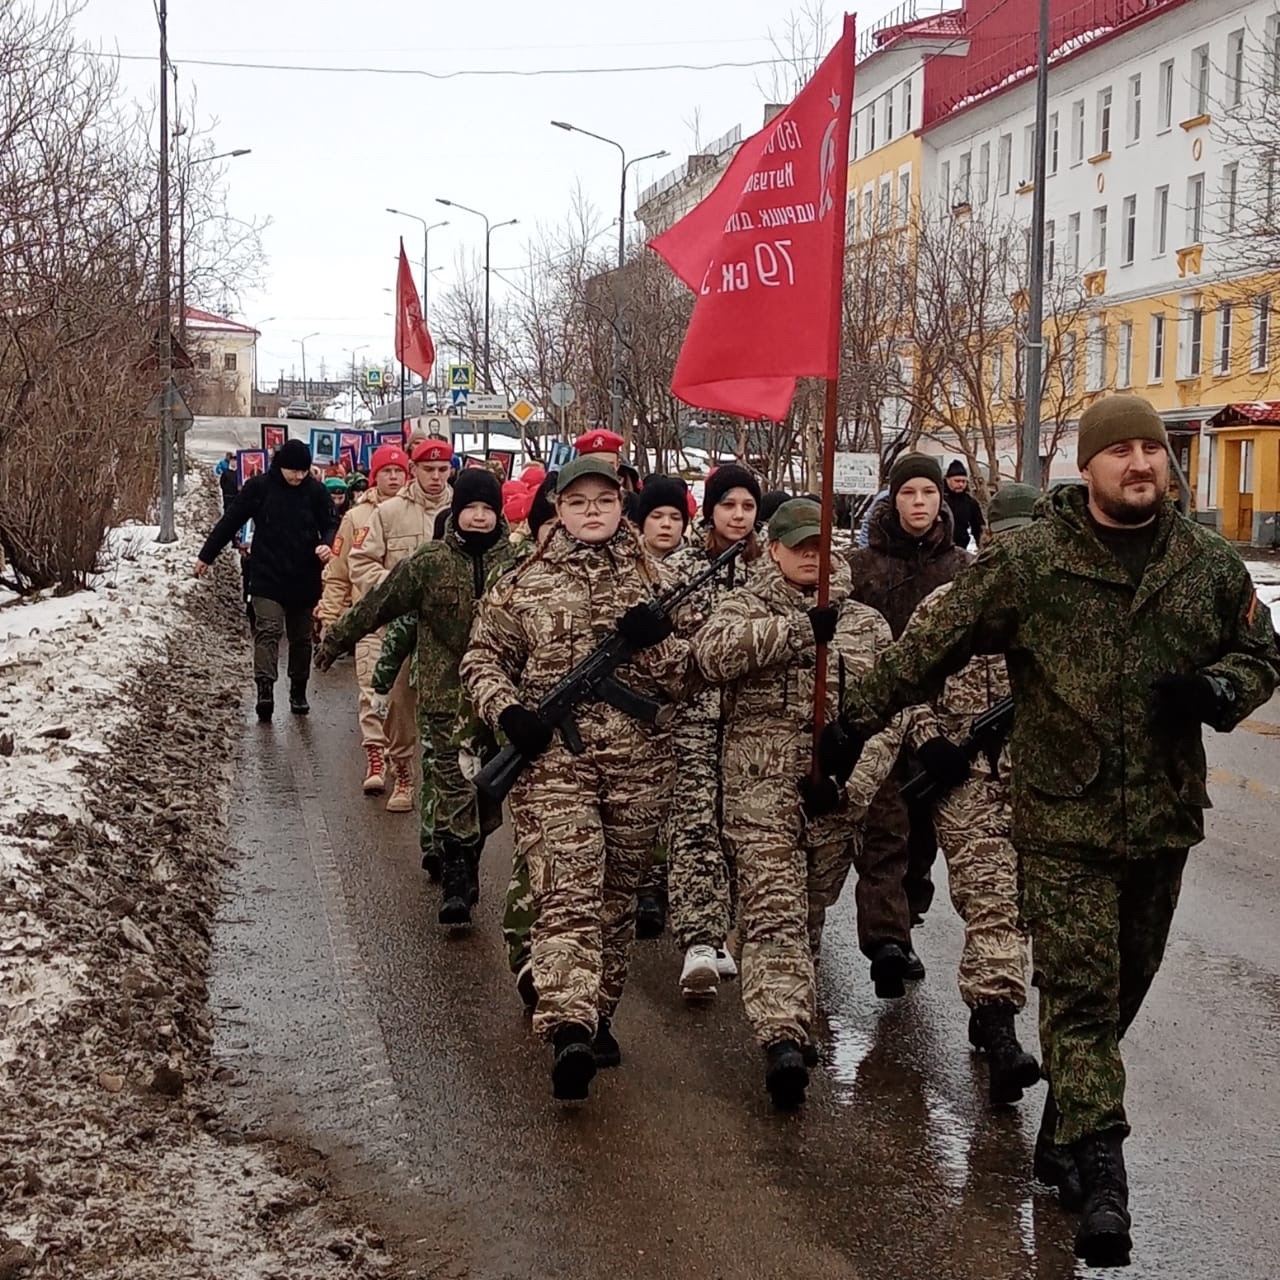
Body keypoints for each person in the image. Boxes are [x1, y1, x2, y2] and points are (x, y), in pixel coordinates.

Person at [820, 394, 1280, 1268]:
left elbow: (1261, 656)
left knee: (1127, 986)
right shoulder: (1032, 563)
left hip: (1162, 817)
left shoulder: (1209, 565)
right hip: (1061, 816)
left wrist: (1219, 691)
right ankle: (1106, 1178)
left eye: (1153, 450)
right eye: (1122, 452)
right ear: (1089, 466)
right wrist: (853, 724)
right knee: (1079, 994)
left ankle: (1064, 1126)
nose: (1142, 463)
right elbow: (932, 645)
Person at [460, 456, 688, 1102]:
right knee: (567, 887)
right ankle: (567, 1027)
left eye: (604, 500)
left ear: (623, 506)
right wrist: (509, 712)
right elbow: (482, 659)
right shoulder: (521, 585)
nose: (592, 511)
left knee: (617, 896)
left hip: (640, 765)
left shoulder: (660, 581)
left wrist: (658, 640)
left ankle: (599, 1008)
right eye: (578, 501)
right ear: (557, 509)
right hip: (554, 763)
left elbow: (687, 677)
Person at [692, 499, 902, 1108]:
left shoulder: (864, 624)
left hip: (832, 797)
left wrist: (851, 784)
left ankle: (796, 1011)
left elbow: (894, 713)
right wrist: (796, 632)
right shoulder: (742, 607)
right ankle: (780, 1037)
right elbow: (709, 657)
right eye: (799, 546)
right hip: (759, 792)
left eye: (821, 546)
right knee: (773, 909)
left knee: (808, 911)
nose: (813, 556)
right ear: (775, 550)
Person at [318, 469, 519, 922]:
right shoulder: (430, 562)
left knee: (487, 795)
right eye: (471, 508)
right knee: (451, 786)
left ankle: (467, 855)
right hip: (444, 699)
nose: (480, 518)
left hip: (500, 703)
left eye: (488, 509)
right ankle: (457, 879)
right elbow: (379, 603)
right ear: (457, 512)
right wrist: (335, 639)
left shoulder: (519, 564)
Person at [901, 482, 1041, 1109]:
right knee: (993, 903)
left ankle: (999, 1012)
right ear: (985, 539)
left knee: (1035, 911)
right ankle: (998, 1024)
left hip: (1046, 786)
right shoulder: (949, 605)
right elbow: (904, 681)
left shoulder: (1066, 612)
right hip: (969, 785)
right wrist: (933, 741)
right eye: (1006, 541)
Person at [847, 452, 971, 996]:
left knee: (923, 839)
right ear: (891, 500)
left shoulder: (961, 570)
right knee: (883, 832)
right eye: (908, 494)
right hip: (878, 716)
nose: (919, 504)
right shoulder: (863, 566)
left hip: (941, 724)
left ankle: (907, 916)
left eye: (927, 494)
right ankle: (886, 943)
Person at [665, 462, 762, 1000]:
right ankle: (700, 939)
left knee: (741, 827)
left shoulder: (770, 566)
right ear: (711, 509)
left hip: (754, 720)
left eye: (748, 506)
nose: (739, 516)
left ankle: (731, 930)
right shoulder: (681, 568)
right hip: (694, 717)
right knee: (696, 821)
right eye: (729, 505)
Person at [195, 438, 338, 720]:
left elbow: (331, 523)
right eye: (293, 471)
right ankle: (265, 689)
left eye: (303, 471)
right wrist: (206, 556)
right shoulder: (259, 488)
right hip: (267, 574)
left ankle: (298, 690)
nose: (298, 477)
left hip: (304, 575)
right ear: (280, 466)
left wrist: (327, 543)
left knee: (300, 638)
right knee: (268, 629)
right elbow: (231, 521)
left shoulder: (316, 492)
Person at [349, 437, 454, 812]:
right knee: (396, 703)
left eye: (443, 470)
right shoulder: (389, 513)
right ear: (415, 471)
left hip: (448, 633)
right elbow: (359, 563)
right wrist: (399, 588)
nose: (437, 477)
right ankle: (403, 773)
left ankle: (448, 781)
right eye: (429, 470)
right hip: (398, 629)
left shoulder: (467, 509)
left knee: (451, 707)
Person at [313, 444, 415, 797]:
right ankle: (376, 757)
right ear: (375, 476)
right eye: (386, 471)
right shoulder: (357, 517)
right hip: (371, 622)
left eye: (398, 471)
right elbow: (339, 572)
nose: (392, 477)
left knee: (405, 701)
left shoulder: (417, 512)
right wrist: (331, 617)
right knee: (373, 691)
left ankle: (401, 762)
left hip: (415, 624)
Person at [629, 475, 693, 938]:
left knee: (671, 804)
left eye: (676, 517)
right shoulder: (625, 571)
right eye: (657, 516)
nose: (667, 526)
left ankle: (655, 885)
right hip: (628, 706)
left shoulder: (694, 576)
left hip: (678, 702)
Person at [944, 460, 986, 549]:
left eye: (964, 481)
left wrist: (982, 548)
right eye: (957, 481)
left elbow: (978, 528)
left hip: (961, 548)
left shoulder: (970, 502)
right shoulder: (939, 500)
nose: (961, 484)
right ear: (947, 480)